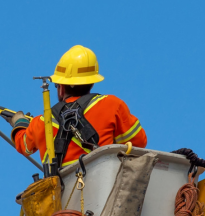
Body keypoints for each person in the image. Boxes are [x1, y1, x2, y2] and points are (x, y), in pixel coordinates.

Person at [9, 45, 147, 171]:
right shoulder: (112, 105)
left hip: (63, 194)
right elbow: (138, 142)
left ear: (61, 88)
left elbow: (23, 145)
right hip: (104, 186)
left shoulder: (42, 122)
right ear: (92, 83)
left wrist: (20, 123)